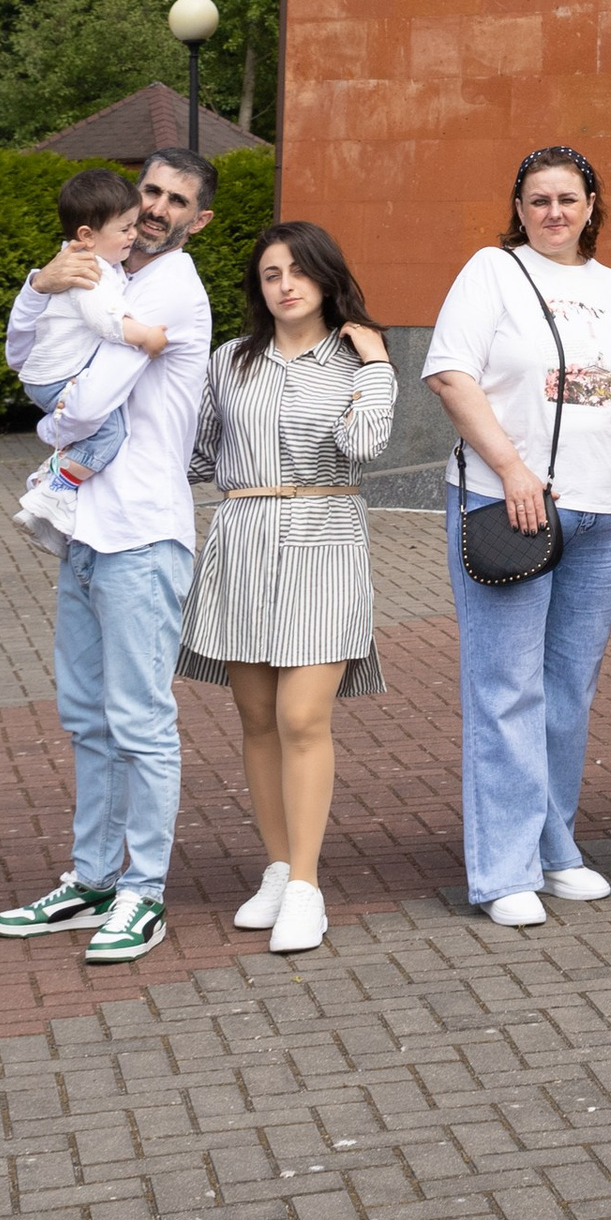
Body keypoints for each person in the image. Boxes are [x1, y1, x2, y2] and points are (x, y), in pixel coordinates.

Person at [422, 145, 611, 929]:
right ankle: (502, 870)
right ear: (518, 208)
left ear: (592, 203)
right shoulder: (490, 272)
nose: (553, 213)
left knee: (568, 693)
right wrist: (513, 469)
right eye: (537, 201)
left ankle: (554, 847)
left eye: (568, 198)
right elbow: (451, 374)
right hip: (510, 504)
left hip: (604, 512)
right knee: (507, 690)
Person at [0, 149, 219, 967]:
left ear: (199, 219)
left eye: (175, 199)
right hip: (87, 531)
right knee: (88, 718)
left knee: (139, 721)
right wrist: (38, 284)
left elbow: (89, 400)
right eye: (149, 191)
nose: (156, 207)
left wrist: (50, 432)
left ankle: (143, 892)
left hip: (143, 537)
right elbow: (23, 349)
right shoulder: (103, 267)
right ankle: (91, 879)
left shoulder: (170, 289)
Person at [178, 222, 398, 957]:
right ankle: (277, 867)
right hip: (243, 536)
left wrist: (375, 364)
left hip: (325, 535)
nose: (286, 285)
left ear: (328, 278)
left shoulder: (356, 359)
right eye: (272, 274)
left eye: (299, 271)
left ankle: (306, 887)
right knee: (258, 718)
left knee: (305, 717)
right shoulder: (229, 362)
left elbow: (365, 445)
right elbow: (198, 456)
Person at [10, 165, 172, 542]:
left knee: (96, 430)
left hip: (49, 376)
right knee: (108, 433)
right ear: (87, 235)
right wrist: (145, 336)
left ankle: (48, 480)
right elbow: (107, 320)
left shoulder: (95, 262)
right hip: (56, 379)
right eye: (126, 229)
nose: (135, 234)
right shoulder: (87, 269)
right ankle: (57, 489)